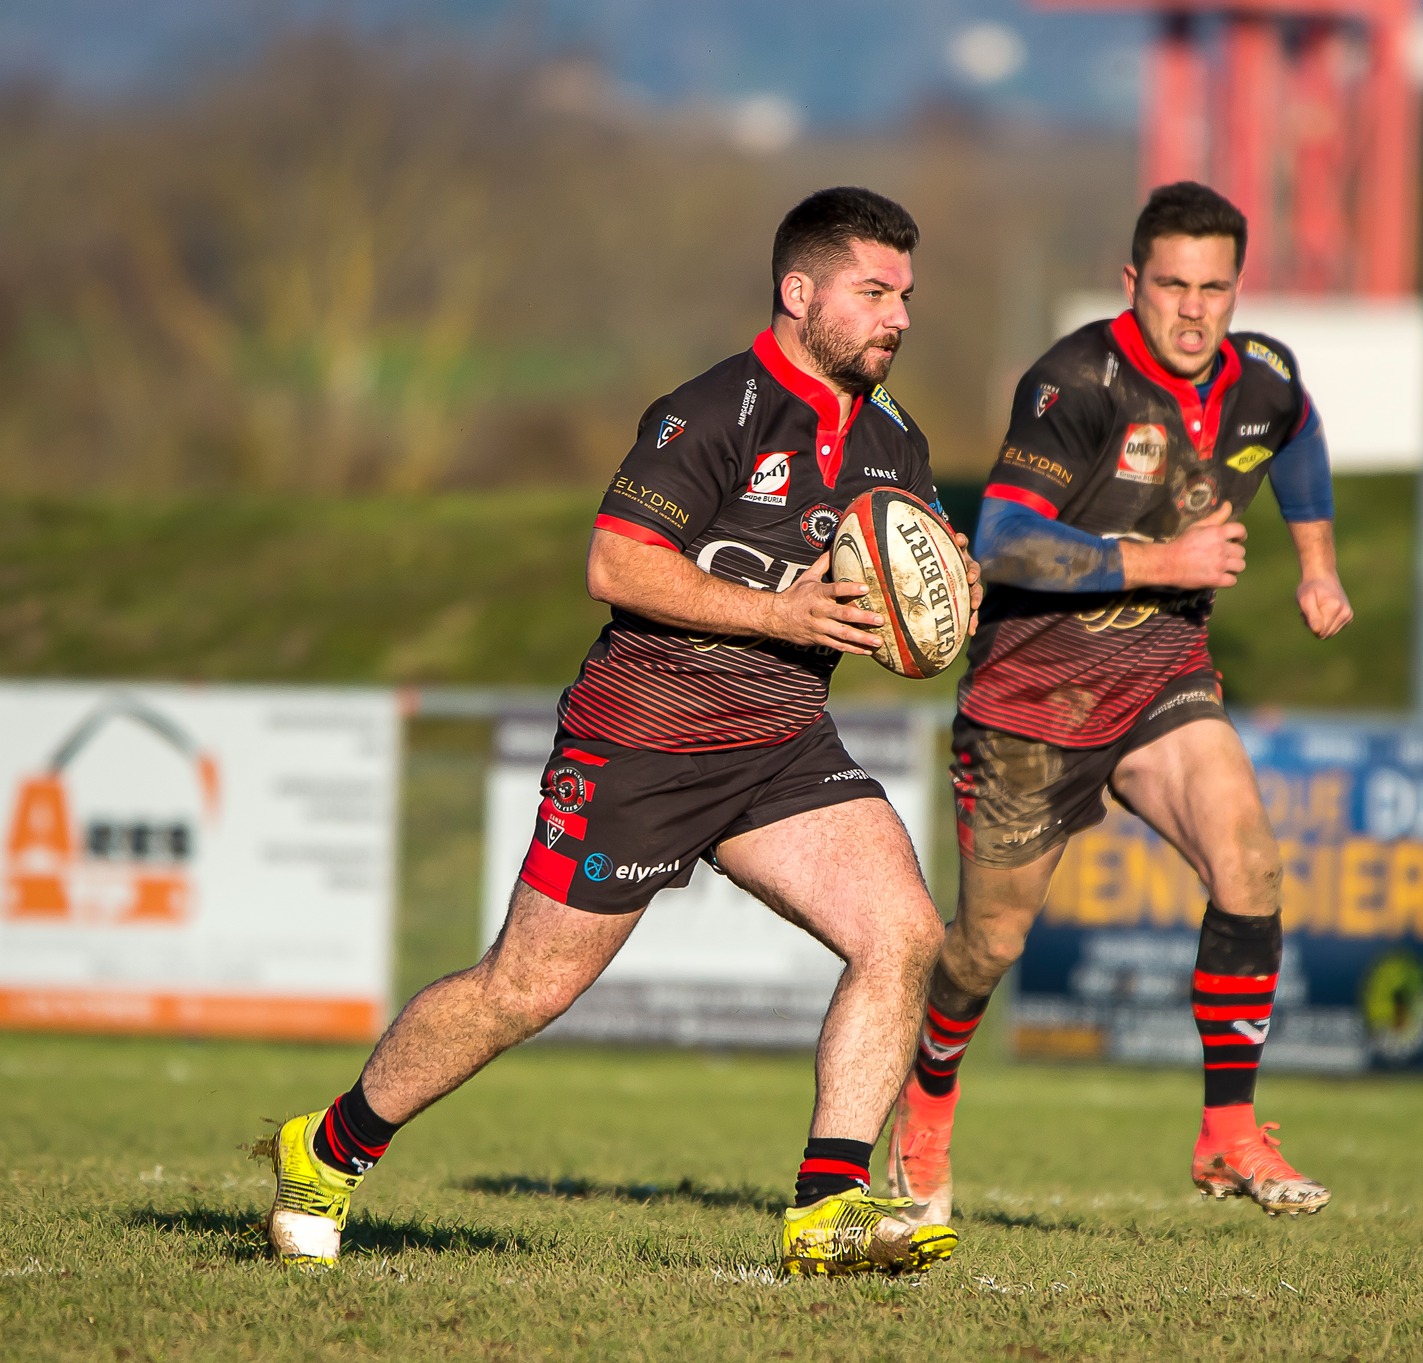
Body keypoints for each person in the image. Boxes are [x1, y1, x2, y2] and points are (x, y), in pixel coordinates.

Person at [260, 186, 980, 1277]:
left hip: (780, 741)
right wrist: (780, 613)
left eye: (905, 296)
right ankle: (327, 1147)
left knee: (904, 934)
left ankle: (826, 1208)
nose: (900, 317)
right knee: (522, 990)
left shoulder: (895, 438)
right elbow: (616, 563)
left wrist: (944, 590)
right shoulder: (714, 411)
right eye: (874, 292)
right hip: (645, 739)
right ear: (799, 293)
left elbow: (893, 584)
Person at [886, 182, 1353, 1226]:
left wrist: (1316, 566)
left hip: (1162, 680)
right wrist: (1162, 559)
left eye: (1214, 289)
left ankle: (1227, 1131)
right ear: (1132, 280)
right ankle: (925, 1102)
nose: (1193, 310)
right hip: (1031, 702)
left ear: (1237, 290)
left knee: (1251, 866)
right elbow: (1004, 539)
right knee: (987, 946)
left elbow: (1299, 434)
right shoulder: (1076, 383)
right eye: (1173, 286)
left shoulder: (1261, 377)